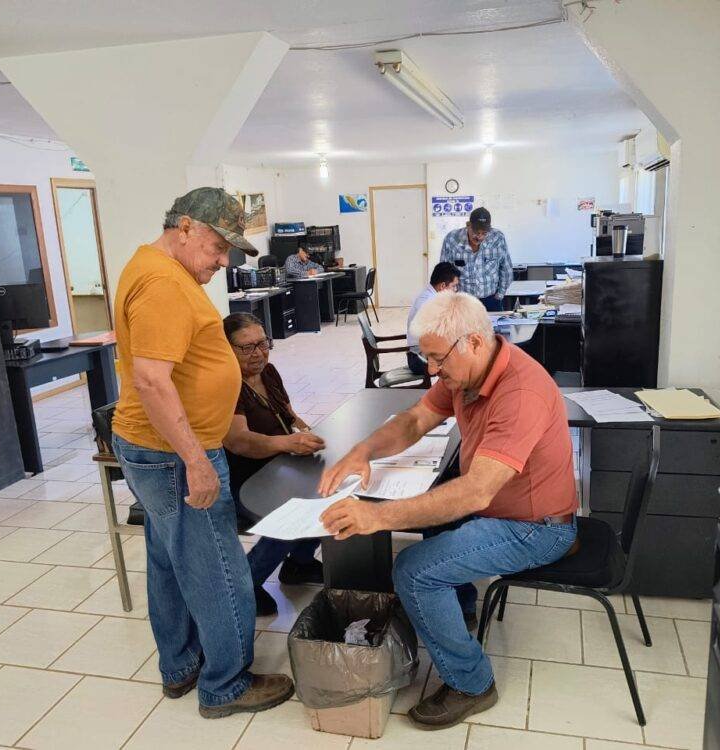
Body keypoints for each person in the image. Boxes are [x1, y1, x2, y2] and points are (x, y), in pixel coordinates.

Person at [317, 291, 578, 730]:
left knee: (415, 570)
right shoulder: (468, 373)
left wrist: (376, 517)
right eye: (428, 359)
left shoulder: (520, 392)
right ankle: (459, 611)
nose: (433, 371)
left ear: (474, 342)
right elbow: (415, 420)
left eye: (438, 359)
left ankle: (472, 684)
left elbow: (476, 492)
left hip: (536, 527)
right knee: (433, 520)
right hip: (502, 509)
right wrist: (363, 451)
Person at [111, 187, 293, 720]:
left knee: (169, 562)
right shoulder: (164, 282)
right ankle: (226, 685)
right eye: (217, 248)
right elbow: (150, 377)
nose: (222, 262)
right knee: (219, 568)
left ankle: (179, 667)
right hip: (174, 453)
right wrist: (195, 459)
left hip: (155, 447)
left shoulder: (155, 268)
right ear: (185, 226)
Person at [221, 312, 326, 616]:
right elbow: (239, 440)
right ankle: (247, 585)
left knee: (325, 490)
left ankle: (299, 563)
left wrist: (307, 435)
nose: (259, 353)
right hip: (246, 477)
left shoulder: (269, 372)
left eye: (263, 343)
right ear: (226, 349)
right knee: (289, 516)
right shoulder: (228, 385)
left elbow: (290, 417)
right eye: (247, 347)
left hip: (278, 466)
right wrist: (286, 443)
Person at [439, 207, 513, 312]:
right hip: (463, 301)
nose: (479, 237)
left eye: (484, 233)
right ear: (468, 225)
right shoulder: (452, 239)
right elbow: (444, 272)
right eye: (476, 232)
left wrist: (499, 295)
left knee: (492, 328)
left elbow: (506, 269)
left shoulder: (498, 238)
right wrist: (451, 298)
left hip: (491, 300)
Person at [406, 261, 461, 376]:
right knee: (466, 359)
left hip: (423, 353)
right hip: (420, 359)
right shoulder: (428, 302)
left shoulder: (431, 296)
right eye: (454, 286)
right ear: (442, 286)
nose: (455, 290)